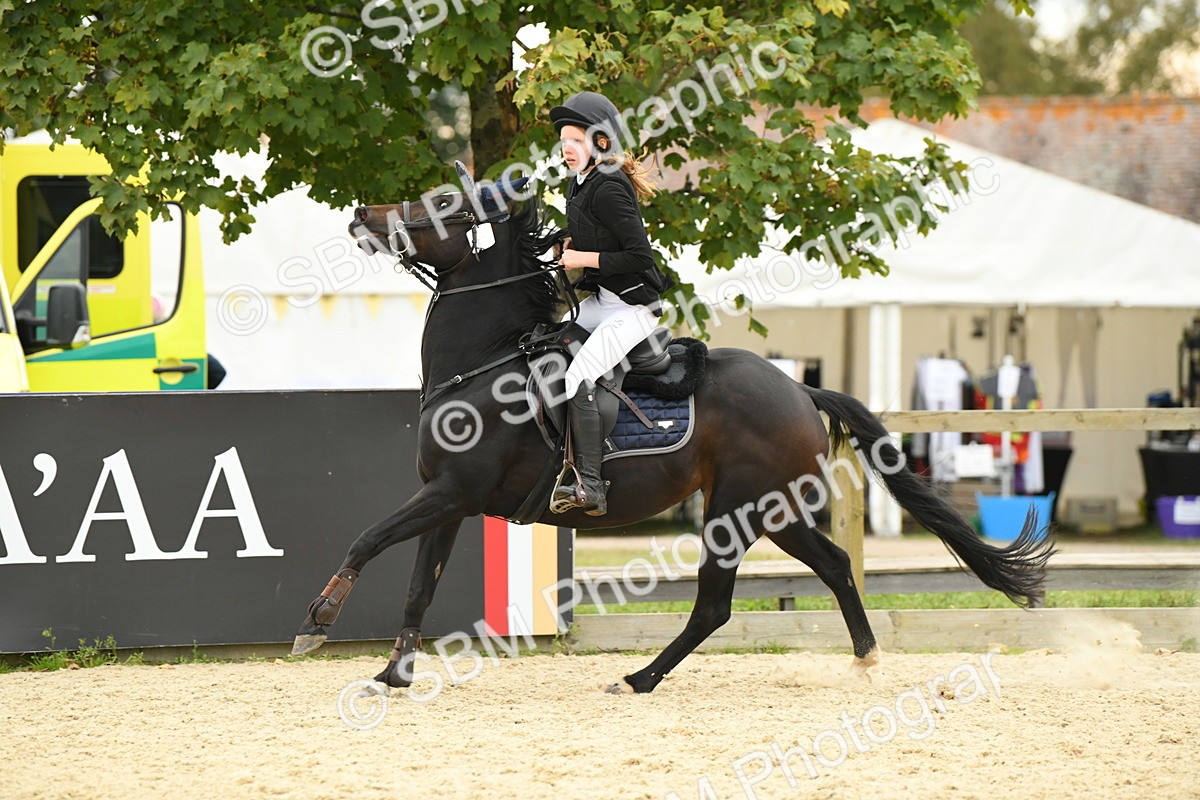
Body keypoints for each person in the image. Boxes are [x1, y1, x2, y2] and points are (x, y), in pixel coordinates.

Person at [547, 90, 673, 516]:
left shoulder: (609, 188)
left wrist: (581, 258)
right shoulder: (579, 183)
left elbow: (640, 257)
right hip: (602, 301)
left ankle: (592, 485)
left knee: (578, 376)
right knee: (548, 346)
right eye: (563, 139)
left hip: (631, 310)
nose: (566, 148)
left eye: (575, 140)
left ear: (600, 142)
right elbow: (593, 234)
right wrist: (567, 242)